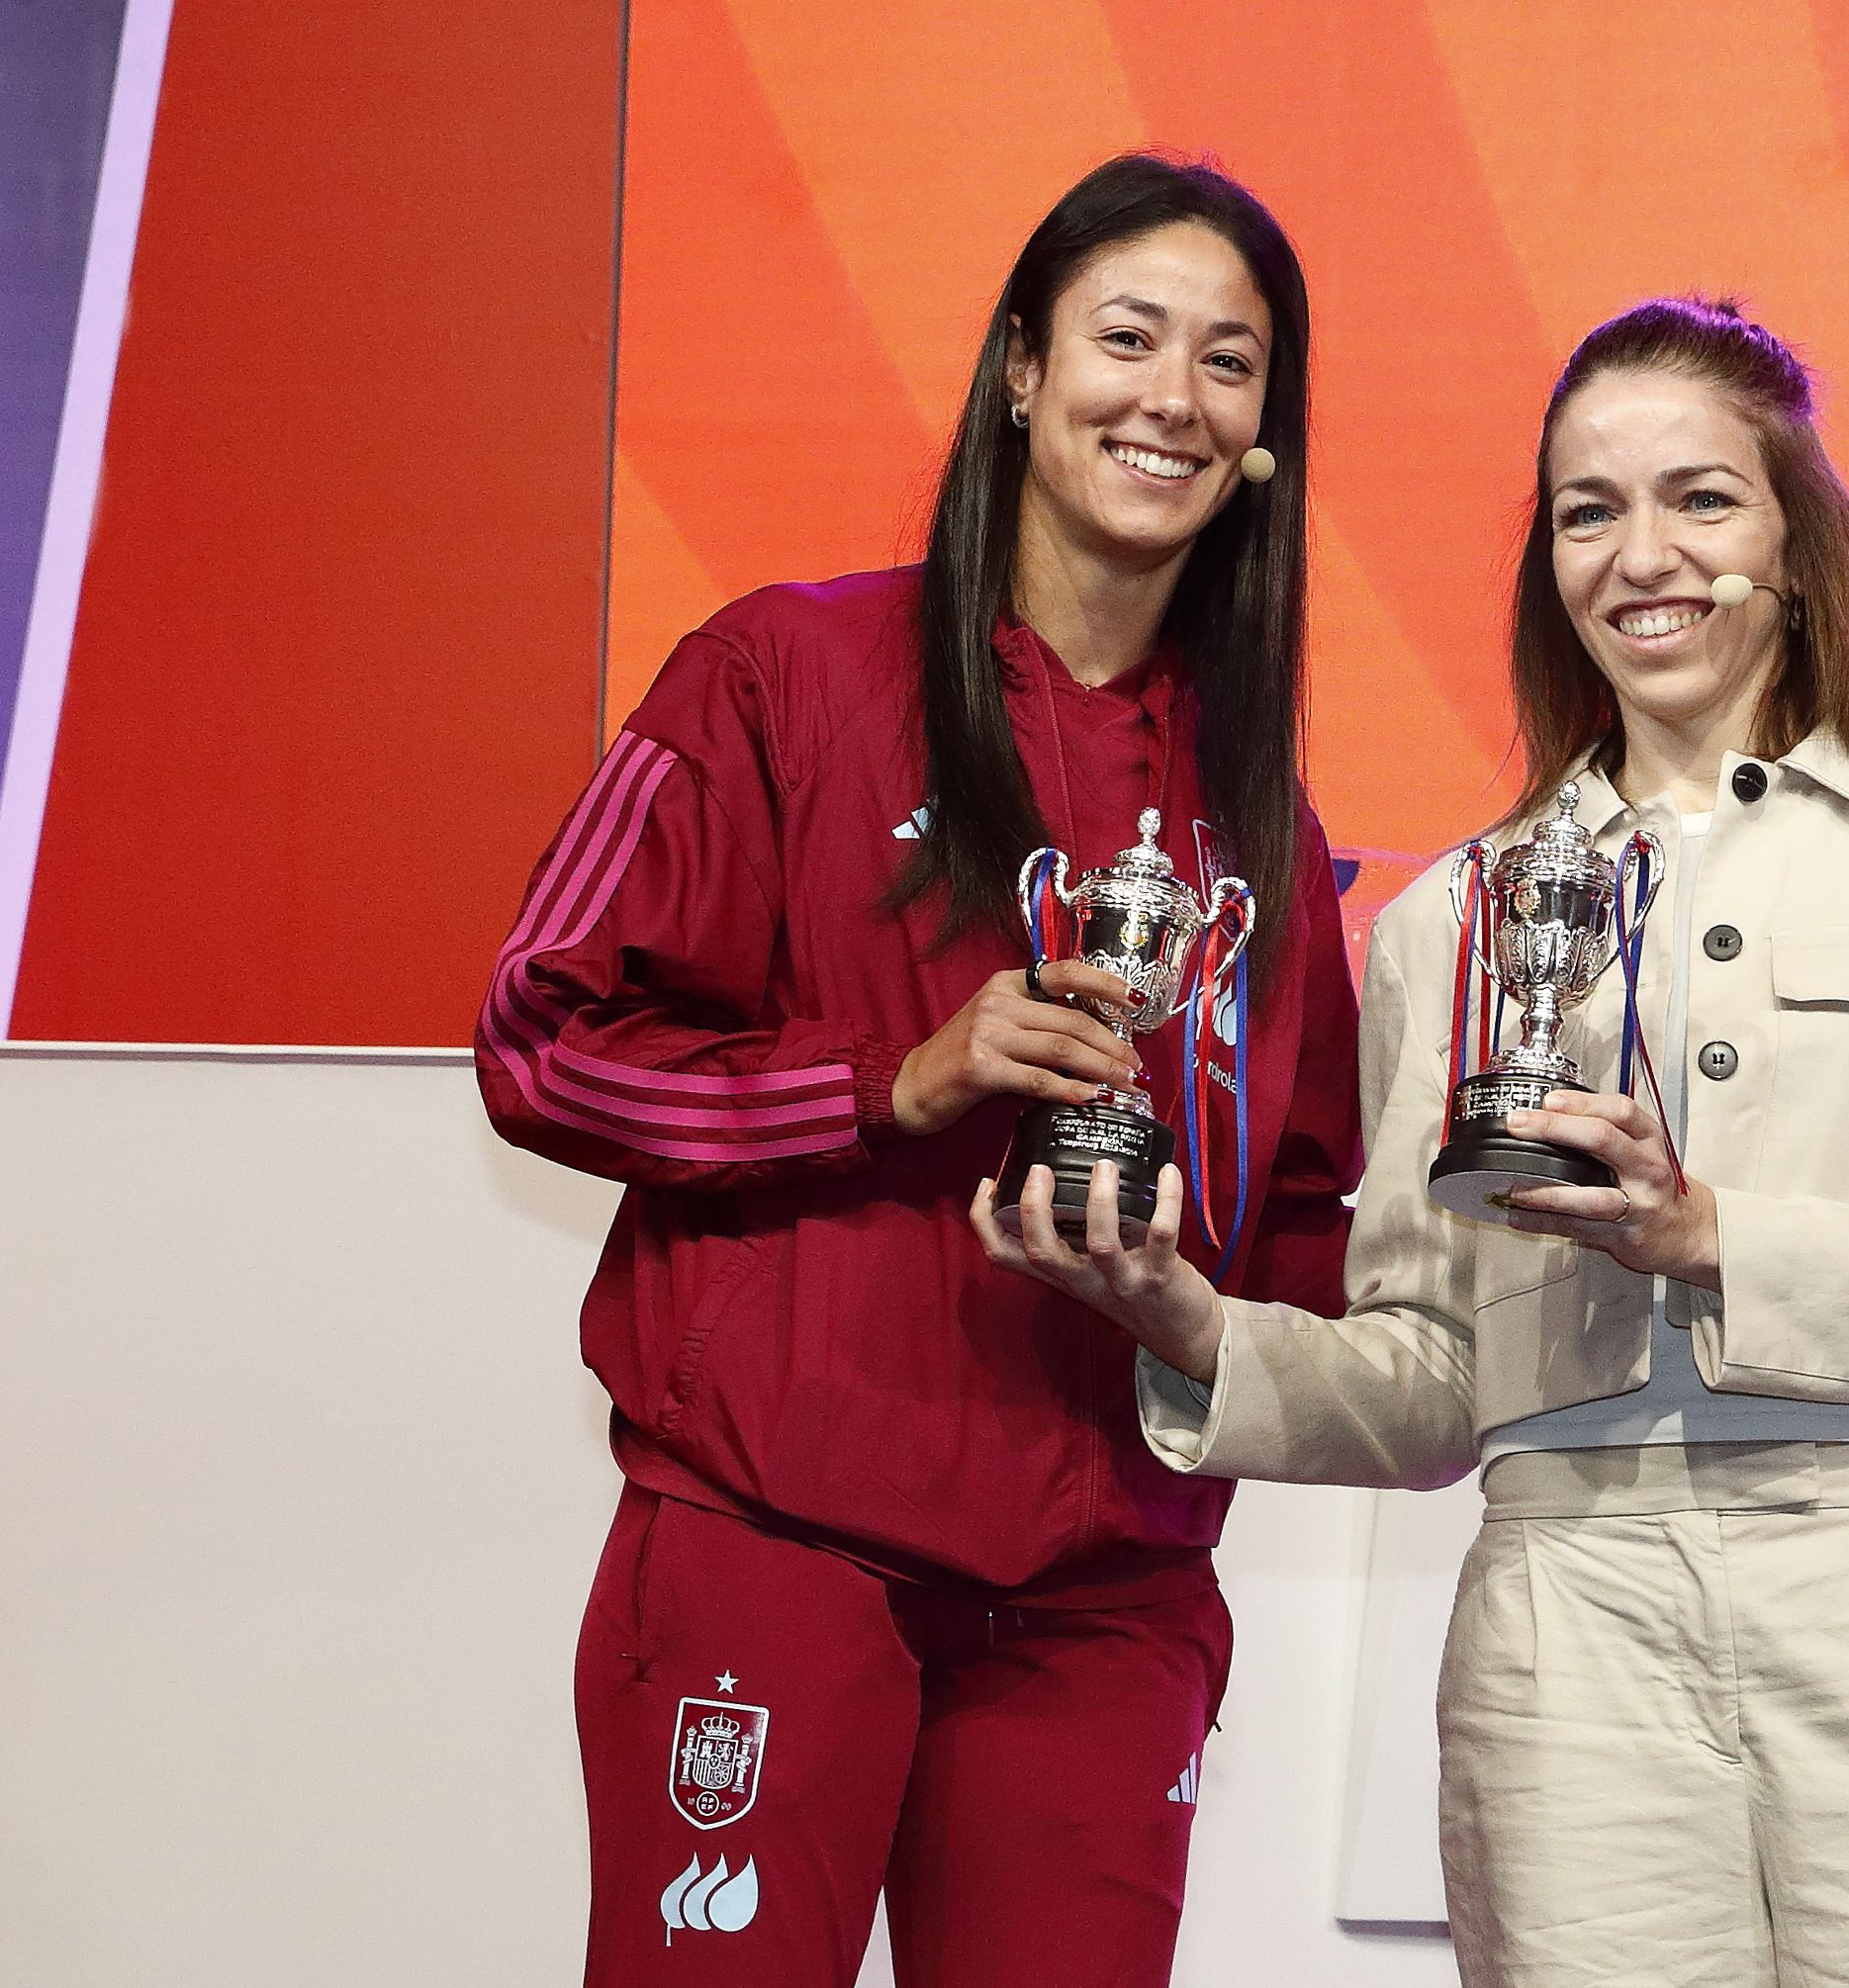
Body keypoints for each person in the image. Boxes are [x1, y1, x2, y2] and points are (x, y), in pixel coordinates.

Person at [979, 296, 1849, 1986]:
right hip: (1569, 1622)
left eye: (1699, 498)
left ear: (1796, 543)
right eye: (1586, 512)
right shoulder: (1445, 920)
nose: (1639, 553)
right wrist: (1189, 1324)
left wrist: (1710, 1233)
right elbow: (1431, 1380)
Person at [479, 153, 1360, 1988]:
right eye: (1127, 337)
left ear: (1264, 429)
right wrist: (886, 1081)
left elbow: (1300, 1208)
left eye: (1228, 361)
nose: (1171, 398)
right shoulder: (779, 672)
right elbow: (540, 1036)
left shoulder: (1262, 814)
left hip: (1105, 1599)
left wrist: (1211, 1315)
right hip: (775, 1549)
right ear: (1022, 368)